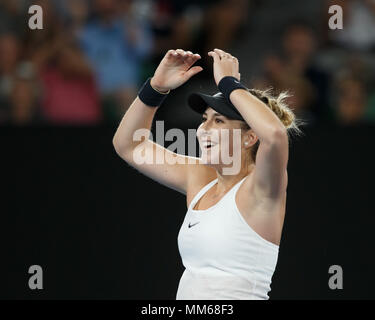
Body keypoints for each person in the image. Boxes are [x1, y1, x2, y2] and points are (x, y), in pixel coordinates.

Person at [113, 48, 301, 299]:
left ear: (250, 137)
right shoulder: (200, 179)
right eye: (205, 119)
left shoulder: (260, 188)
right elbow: (129, 145)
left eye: (219, 121)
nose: (203, 129)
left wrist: (229, 83)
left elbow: (276, 136)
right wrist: (156, 88)